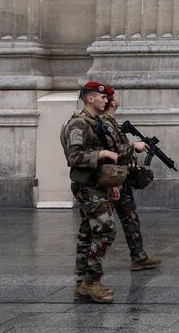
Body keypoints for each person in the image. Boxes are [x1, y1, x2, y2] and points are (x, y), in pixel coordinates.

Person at [59, 81, 119, 303]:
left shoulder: (93, 123)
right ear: (90, 99)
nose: (107, 100)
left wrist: (110, 183)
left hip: (96, 184)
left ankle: (82, 284)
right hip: (87, 186)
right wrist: (103, 153)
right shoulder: (79, 124)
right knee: (106, 230)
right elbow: (74, 158)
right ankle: (92, 282)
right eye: (102, 97)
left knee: (87, 234)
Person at [100, 85, 161, 271]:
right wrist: (134, 146)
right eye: (114, 97)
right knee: (103, 226)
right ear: (111, 102)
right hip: (113, 179)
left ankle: (139, 257)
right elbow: (109, 153)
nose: (117, 99)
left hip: (122, 177)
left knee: (130, 217)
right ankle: (90, 268)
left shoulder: (111, 122)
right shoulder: (104, 123)